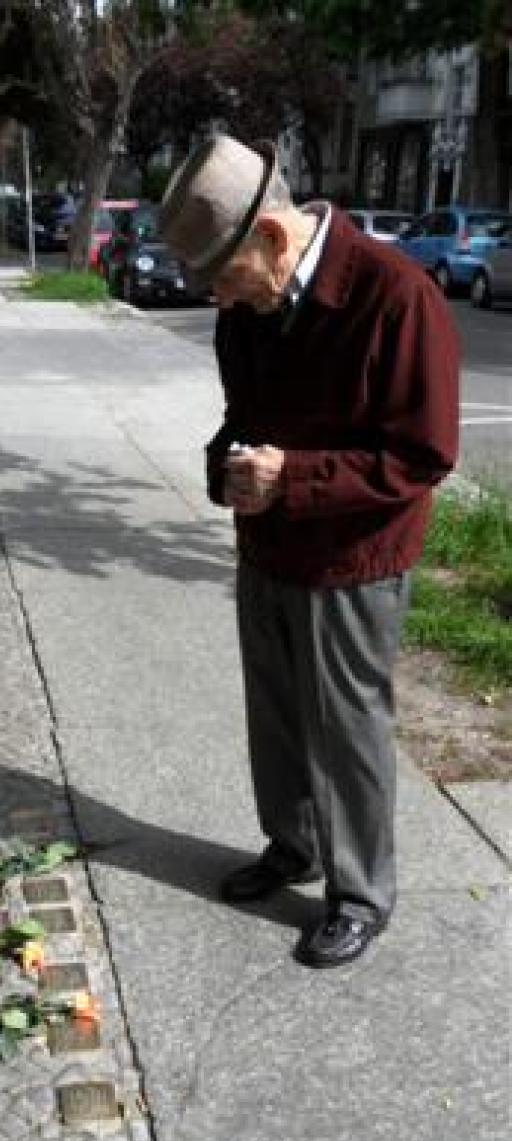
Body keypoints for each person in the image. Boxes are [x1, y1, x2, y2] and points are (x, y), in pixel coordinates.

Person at [159, 135, 459, 968]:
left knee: (348, 729)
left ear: (275, 240)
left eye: (223, 275)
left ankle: (361, 892)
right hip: (270, 548)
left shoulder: (395, 295)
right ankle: (294, 846)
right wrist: (228, 470)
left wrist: (295, 478)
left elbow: (423, 457)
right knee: (278, 717)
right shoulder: (248, 312)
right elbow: (239, 419)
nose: (218, 299)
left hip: (355, 561)